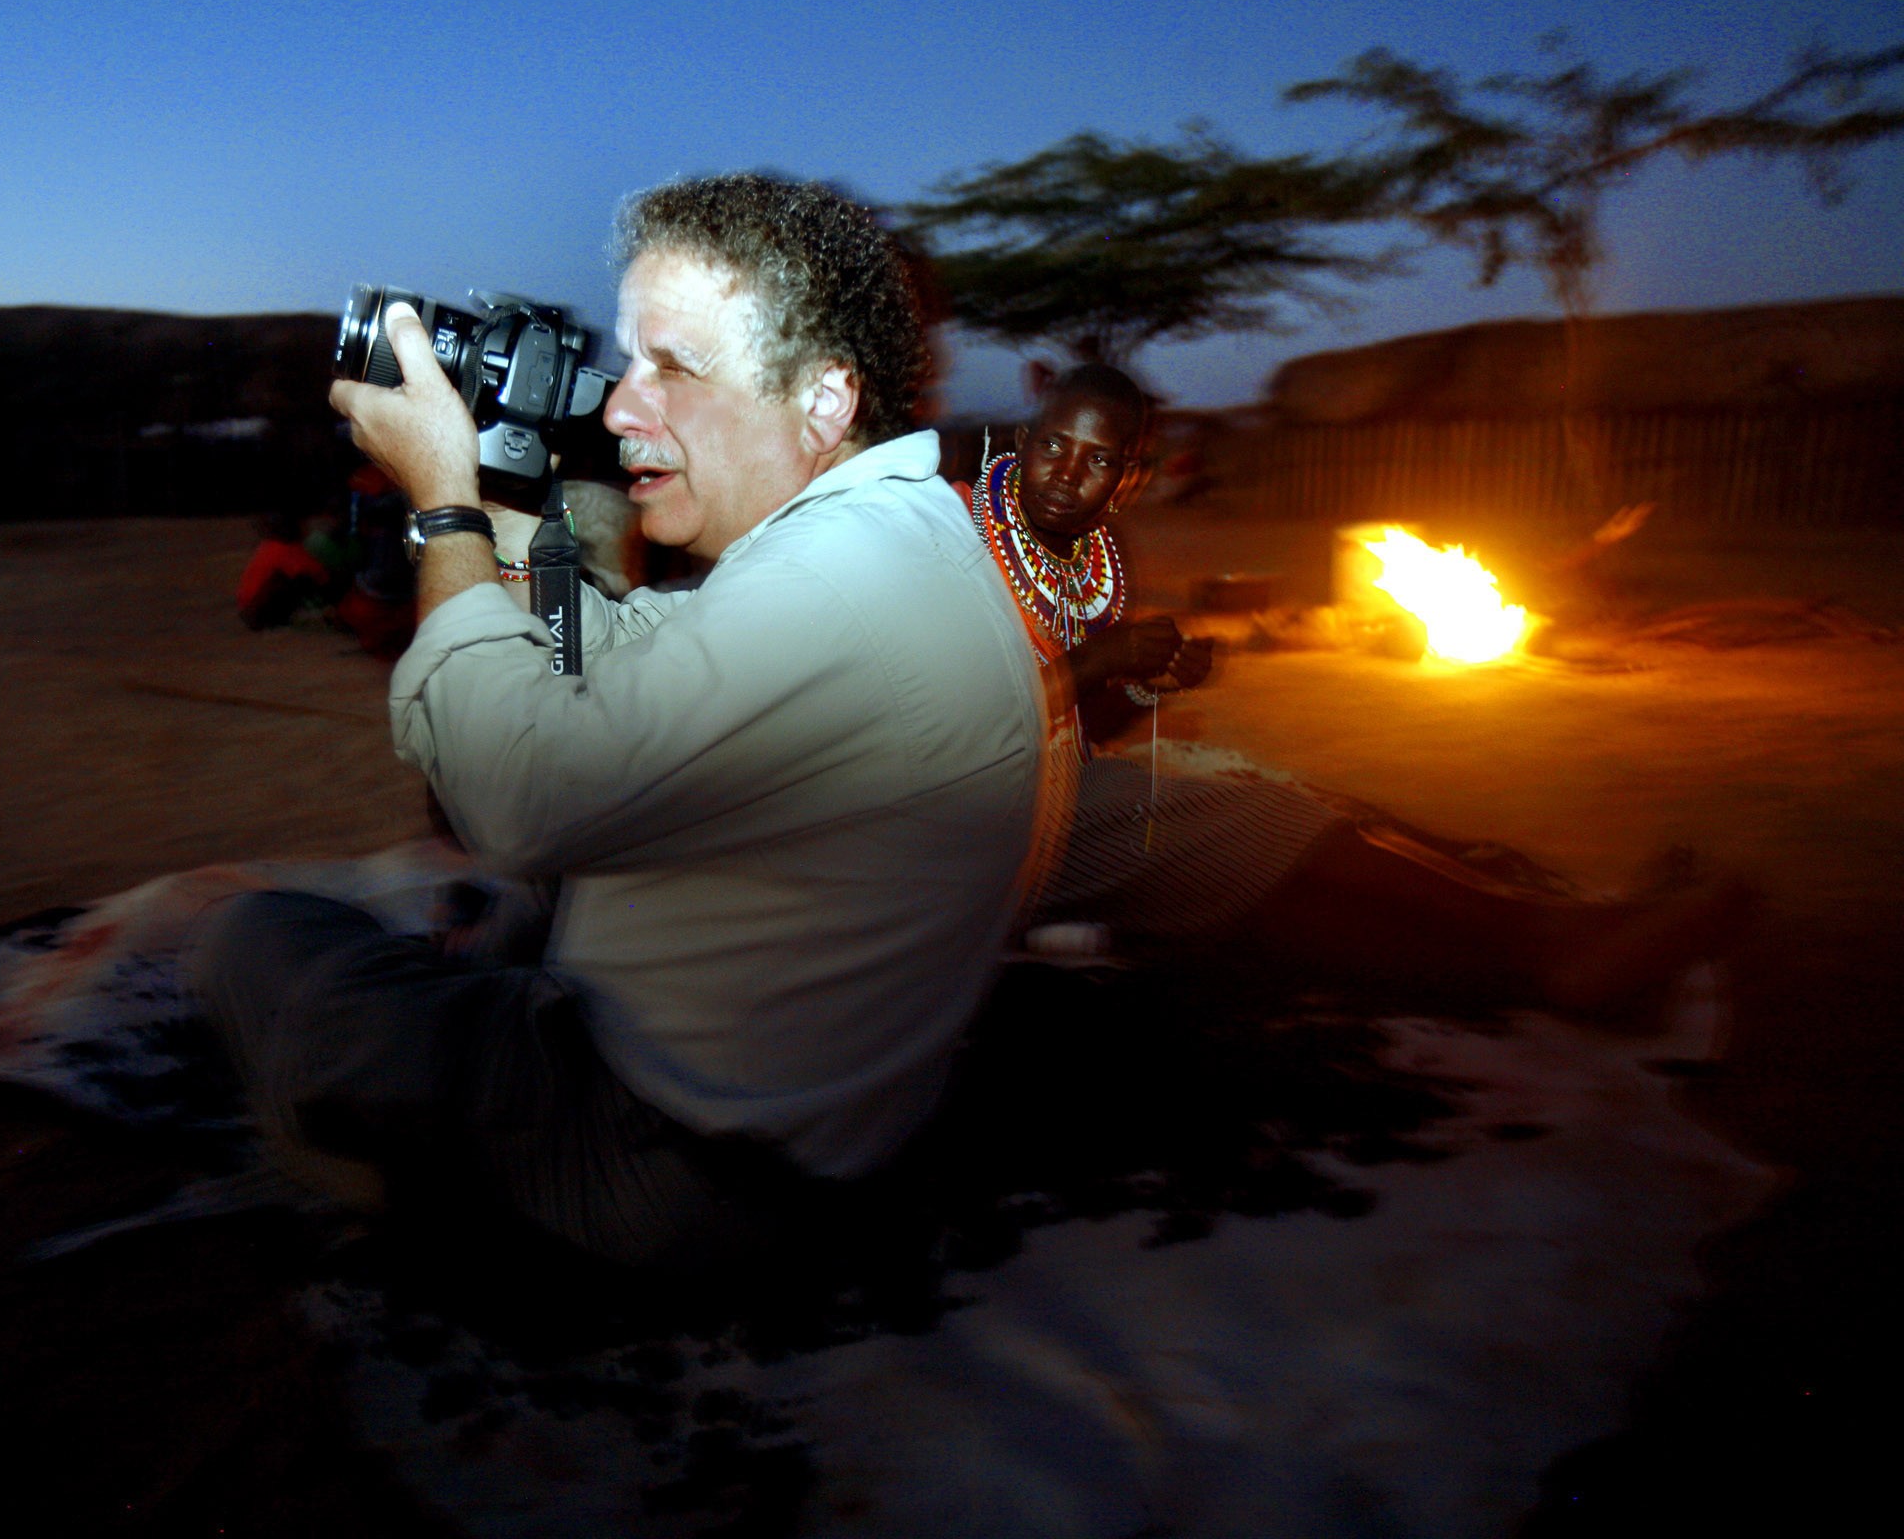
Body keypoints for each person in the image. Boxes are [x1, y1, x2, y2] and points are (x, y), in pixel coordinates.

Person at [181, 175, 1042, 1273]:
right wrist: (501, 518)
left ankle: (411, 1179)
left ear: (826, 401)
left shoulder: (836, 584)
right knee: (460, 948)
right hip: (802, 1134)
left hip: (667, 1162)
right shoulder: (898, 533)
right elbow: (628, 652)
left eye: (675, 368)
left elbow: (504, 797)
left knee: (250, 941)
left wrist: (441, 505)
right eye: (631, 364)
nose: (621, 407)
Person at [980, 363, 1750, 1011]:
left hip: (1021, 791)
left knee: (1255, 857)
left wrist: (1145, 684)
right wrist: (1093, 664)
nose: (1068, 474)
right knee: (1261, 818)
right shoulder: (956, 537)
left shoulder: (1085, 563)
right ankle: (1545, 938)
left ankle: (1547, 952)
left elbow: (1073, 723)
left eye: (1100, 460)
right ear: (1023, 443)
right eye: (1053, 446)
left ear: (1131, 479)